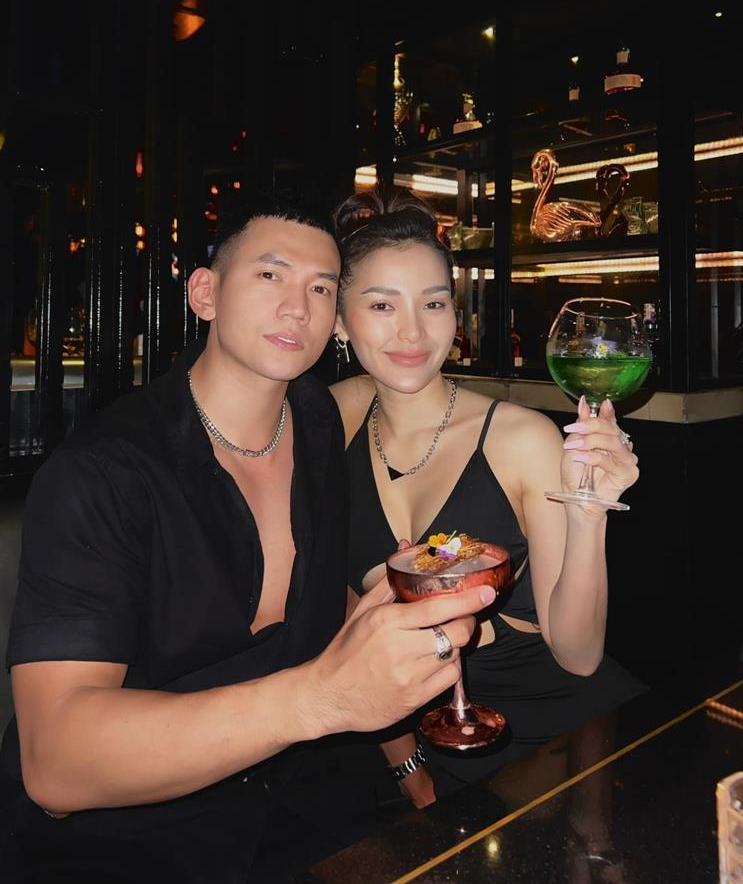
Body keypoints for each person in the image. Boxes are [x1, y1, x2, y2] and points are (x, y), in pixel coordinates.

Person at [0, 193, 493, 882]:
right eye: (270, 275)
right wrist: (320, 699)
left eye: (321, 288)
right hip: (124, 841)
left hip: (307, 811)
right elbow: (57, 763)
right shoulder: (104, 472)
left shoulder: (317, 421)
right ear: (205, 293)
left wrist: (407, 753)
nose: (298, 307)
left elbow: (326, 606)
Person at [329, 186, 646, 805]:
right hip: (436, 750)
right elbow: (344, 621)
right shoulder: (330, 421)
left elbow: (579, 656)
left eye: (434, 302)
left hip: (571, 745)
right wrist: (411, 772)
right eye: (382, 305)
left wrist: (589, 512)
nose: (413, 330)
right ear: (340, 321)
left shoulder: (521, 438)